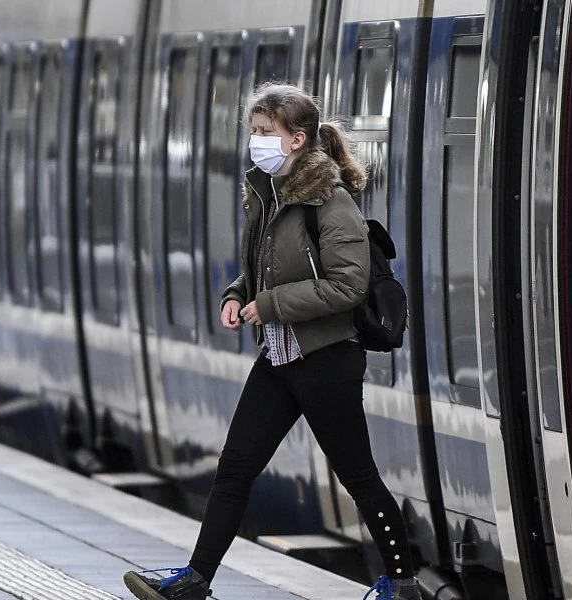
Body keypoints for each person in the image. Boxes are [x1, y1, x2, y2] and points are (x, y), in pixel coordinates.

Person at [122, 83, 421, 600]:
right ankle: (195, 582)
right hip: (281, 356)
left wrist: (272, 305)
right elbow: (259, 270)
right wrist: (236, 296)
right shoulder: (268, 194)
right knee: (235, 467)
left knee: (359, 476)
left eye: (265, 133)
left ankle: (403, 584)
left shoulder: (330, 202)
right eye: (254, 131)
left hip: (327, 359)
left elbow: (348, 285)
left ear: (297, 140)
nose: (256, 141)